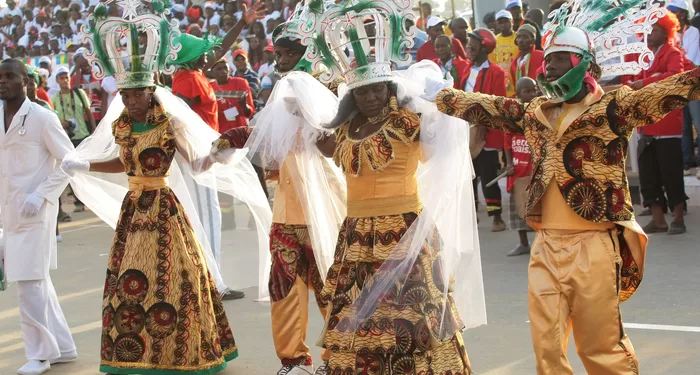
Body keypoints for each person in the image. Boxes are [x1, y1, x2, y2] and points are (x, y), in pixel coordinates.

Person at [429, 0, 700, 369]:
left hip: (594, 244)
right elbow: (492, 108)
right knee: (546, 346)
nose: (549, 67)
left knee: (600, 346)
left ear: (581, 64)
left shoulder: (614, 109)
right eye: (549, 60)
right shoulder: (536, 111)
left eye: (558, 60)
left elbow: (672, 90)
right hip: (546, 245)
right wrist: (439, 96)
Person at [256, 1, 486, 373]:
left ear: (389, 88)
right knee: (358, 320)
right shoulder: (346, 129)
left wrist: (448, 111)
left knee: (410, 318)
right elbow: (331, 151)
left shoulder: (408, 122)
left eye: (377, 89)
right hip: (357, 236)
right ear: (351, 97)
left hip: (404, 232)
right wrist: (305, 116)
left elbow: (453, 151)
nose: (370, 97)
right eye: (362, 92)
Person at [59, 3, 273, 373]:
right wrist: (87, 165)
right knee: (130, 282)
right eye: (125, 96)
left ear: (149, 91)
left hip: (162, 207)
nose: (130, 102)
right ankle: (136, 353)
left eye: (136, 95)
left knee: (177, 278)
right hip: (133, 209)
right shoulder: (122, 127)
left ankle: (182, 351)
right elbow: (125, 164)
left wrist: (219, 152)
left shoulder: (170, 124)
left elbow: (196, 163)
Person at [212, 5, 348, 373]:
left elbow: (338, 145)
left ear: (306, 55)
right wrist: (232, 138)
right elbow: (268, 136)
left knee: (329, 285)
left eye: (289, 54)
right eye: (279, 55)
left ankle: (336, 358)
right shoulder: (281, 93)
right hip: (287, 211)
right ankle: (293, 360)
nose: (282, 61)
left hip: (326, 207)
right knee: (284, 288)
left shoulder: (330, 88)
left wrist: (312, 116)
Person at [171, 1, 266, 301]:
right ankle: (212, 283)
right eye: (203, 52)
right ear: (192, 57)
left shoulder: (195, 73)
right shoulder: (186, 79)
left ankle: (209, 279)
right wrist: (193, 159)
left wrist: (243, 23)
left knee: (209, 215)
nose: (209, 55)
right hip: (196, 157)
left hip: (205, 153)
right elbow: (178, 123)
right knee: (206, 219)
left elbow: (218, 50)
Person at [0, 58, 77, 375]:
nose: (3, 82)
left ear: (26, 81)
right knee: (38, 281)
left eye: (9, 76)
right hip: (8, 212)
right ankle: (62, 347)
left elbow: (70, 161)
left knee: (29, 281)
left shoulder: (42, 118)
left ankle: (40, 355)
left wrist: (42, 193)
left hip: (36, 211)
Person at [625, 12, 688, 235]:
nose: (650, 35)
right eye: (649, 31)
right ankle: (659, 220)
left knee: (670, 173)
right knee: (648, 174)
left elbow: (674, 78)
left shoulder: (673, 53)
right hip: (646, 123)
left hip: (667, 123)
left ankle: (678, 218)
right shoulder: (646, 56)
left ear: (667, 33)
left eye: (656, 31)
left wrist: (645, 82)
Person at [464, 28, 507, 232]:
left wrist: (482, 122)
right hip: (466, 132)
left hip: (487, 132)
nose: (468, 47)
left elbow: (498, 104)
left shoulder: (496, 72)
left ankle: (497, 216)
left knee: (488, 177)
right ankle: (472, 215)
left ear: (484, 47)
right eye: (468, 43)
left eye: (473, 44)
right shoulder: (466, 70)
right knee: (468, 177)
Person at [505, 77, 537, 256]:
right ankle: (523, 243)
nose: (532, 94)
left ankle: (542, 244)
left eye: (534, 90)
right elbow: (507, 141)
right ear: (518, 94)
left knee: (538, 208)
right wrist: (509, 163)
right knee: (517, 206)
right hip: (518, 169)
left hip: (533, 168)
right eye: (527, 91)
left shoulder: (540, 111)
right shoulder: (512, 115)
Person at [210, 58, 255, 133]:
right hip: (221, 132)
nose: (223, 71)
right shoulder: (210, 88)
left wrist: (244, 106)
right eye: (219, 69)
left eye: (225, 67)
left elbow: (250, 113)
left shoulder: (241, 83)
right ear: (212, 73)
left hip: (241, 130)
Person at [491, 10, 519, 97]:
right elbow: (492, 62)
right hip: (500, 82)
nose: (503, 24)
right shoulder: (494, 40)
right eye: (500, 22)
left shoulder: (519, 38)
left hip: (516, 82)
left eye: (506, 21)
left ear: (512, 22)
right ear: (497, 24)